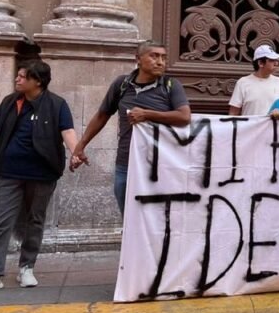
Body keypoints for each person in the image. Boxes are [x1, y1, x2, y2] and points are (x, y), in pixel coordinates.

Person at [0, 61, 78, 295]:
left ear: (37, 81)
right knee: (0, 223)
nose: (17, 80)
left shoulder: (57, 104)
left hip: (42, 173)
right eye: (17, 76)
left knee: (35, 220)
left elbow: (66, 131)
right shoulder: (10, 102)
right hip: (9, 171)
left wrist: (76, 153)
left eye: (22, 77)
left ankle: (27, 266)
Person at [71, 42, 191, 215]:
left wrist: (148, 114)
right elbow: (102, 115)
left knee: (157, 217)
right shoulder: (122, 84)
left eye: (163, 58)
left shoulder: (171, 85)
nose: (160, 62)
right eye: (154, 56)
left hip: (159, 164)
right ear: (138, 59)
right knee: (128, 215)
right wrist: (81, 145)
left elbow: (184, 117)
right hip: (126, 162)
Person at [228, 44, 279, 116]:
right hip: (250, 127)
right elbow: (233, 113)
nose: (276, 63)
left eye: (277, 60)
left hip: (274, 127)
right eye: (272, 60)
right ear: (260, 63)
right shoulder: (243, 82)